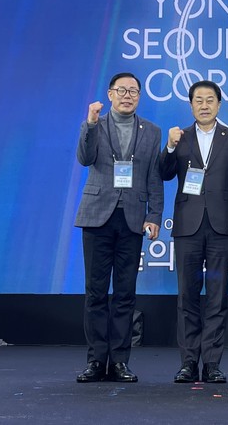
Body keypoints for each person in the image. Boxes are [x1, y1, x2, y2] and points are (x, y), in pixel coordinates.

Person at [73, 72, 163, 383]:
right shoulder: (95, 124)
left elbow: (154, 177)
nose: (127, 96)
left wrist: (154, 215)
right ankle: (97, 361)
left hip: (133, 219)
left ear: (139, 97)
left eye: (133, 91)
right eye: (121, 90)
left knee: (125, 293)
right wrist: (90, 123)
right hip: (97, 216)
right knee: (96, 292)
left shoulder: (152, 131)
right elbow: (85, 158)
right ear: (110, 94)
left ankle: (120, 361)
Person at [159, 80, 228, 384]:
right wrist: (169, 147)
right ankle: (188, 362)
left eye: (210, 100)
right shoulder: (180, 136)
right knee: (187, 295)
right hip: (188, 225)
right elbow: (164, 172)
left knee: (217, 295)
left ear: (219, 104)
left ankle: (212, 363)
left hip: (222, 226)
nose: (204, 105)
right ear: (191, 105)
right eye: (198, 100)